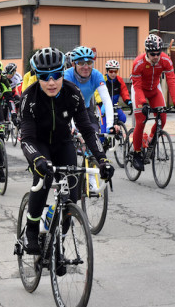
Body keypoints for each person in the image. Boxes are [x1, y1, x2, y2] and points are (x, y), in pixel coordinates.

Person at [20, 47, 114, 255]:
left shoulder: (73, 93)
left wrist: (102, 160)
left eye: (56, 76)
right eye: (45, 77)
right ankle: (32, 230)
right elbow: (26, 138)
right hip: (39, 145)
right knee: (42, 183)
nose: (51, 82)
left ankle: (58, 241)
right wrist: (36, 159)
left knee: (71, 196)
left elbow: (88, 131)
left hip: (63, 143)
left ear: (63, 73)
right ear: (37, 77)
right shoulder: (29, 98)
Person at [130, 34, 175, 170]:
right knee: (141, 120)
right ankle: (136, 153)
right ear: (146, 52)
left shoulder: (165, 60)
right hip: (139, 89)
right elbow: (136, 85)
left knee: (162, 118)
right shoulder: (138, 63)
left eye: (158, 53)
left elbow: (171, 81)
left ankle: (151, 139)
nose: (156, 56)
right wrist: (143, 103)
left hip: (154, 89)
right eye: (153, 54)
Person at [64, 46, 114, 135]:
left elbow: (107, 100)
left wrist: (110, 125)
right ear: (73, 65)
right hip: (67, 110)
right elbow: (66, 103)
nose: (86, 67)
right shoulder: (67, 75)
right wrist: (71, 125)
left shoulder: (97, 75)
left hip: (84, 110)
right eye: (81, 63)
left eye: (89, 62)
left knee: (94, 134)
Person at [97, 59, 132, 138]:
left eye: (115, 71)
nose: (113, 74)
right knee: (103, 132)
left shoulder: (119, 80)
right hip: (103, 106)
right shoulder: (102, 79)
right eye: (111, 71)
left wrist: (128, 102)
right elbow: (97, 93)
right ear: (107, 71)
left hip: (114, 105)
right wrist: (102, 102)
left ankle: (116, 128)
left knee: (123, 118)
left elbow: (124, 92)